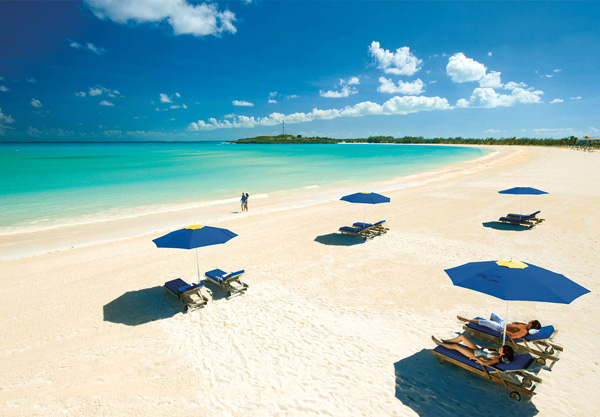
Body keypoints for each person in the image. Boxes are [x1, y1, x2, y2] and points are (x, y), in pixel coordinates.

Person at [432, 334, 515, 366]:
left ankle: (439, 343)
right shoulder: (499, 354)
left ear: (503, 354)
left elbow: (484, 363)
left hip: (474, 354)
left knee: (456, 346)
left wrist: (476, 358)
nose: (500, 348)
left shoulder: (496, 359)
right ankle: (447, 341)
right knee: (462, 337)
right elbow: (494, 349)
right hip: (478, 350)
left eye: (501, 349)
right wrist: (485, 347)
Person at [458, 314, 541, 339]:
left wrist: (505, 331)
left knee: (486, 322)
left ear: (531, 326)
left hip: (501, 328)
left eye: (530, 322)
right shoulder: (525, 325)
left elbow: (513, 336)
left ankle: (467, 320)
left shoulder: (524, 331)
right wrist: (510, 323)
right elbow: (515, 322)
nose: (528, 322)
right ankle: (486, 327)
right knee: (493, 315)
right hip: (505, 323)